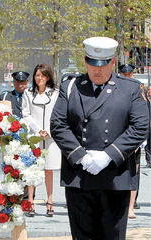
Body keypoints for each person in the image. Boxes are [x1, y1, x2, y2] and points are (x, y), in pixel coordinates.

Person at [50, 36, 149, 239]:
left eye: (103, 65)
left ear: (112, 62)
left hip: (115, 175)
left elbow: (140, 126)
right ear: (86, 61)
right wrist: (81, 155)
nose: (97, 70)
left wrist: (109, 155)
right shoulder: (71, 87)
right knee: (82, 235)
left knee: (112, 235)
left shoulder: (130, 89)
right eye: (93, 64)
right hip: (80, 175)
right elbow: (58, 124)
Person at [22, 64, 61, 217]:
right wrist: (38, 130)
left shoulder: (56, 93)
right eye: (37, 75)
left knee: (49, 170)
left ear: (48, 77)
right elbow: (26, 114)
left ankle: (50, 201)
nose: (40, 78)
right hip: (35, 136)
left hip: (50, 137)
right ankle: (30, 201)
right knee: (33, 170)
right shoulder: (28, 93)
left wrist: (49, 130)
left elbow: (58, 114)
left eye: (43, 75)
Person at [118, 63, 141, 218]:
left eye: (129, 75)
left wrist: (138, 141)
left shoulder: (138, 89)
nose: (127, 78)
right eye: (124, 75)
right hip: (116, 137)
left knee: (134, 173)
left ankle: (131, 207)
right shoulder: (113, 87)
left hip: (133, 138)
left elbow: (142, 118)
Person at [145, 85, 151, 168]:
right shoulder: (145, 100)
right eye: (149, 89)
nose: (150, 91)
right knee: (148, 144)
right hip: (147, 125)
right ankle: (149, 161)